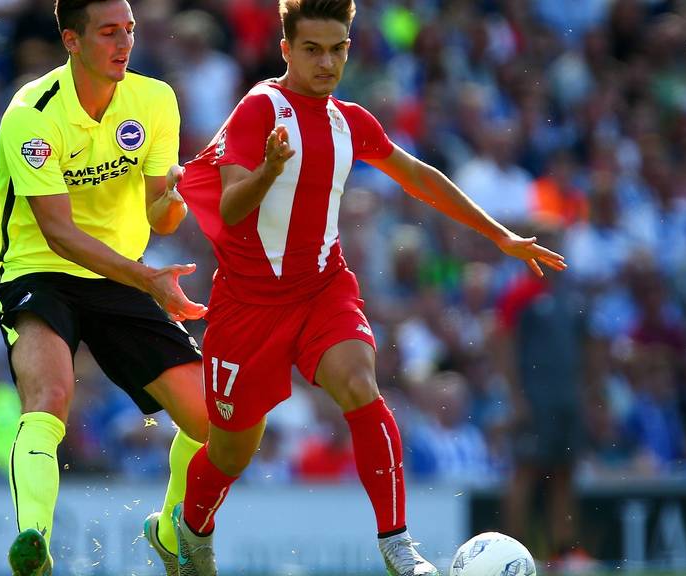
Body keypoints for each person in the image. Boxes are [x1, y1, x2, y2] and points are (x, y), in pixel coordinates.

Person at [172, 1, 567, 575]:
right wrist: (267, 171)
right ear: (286, 50)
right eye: (312, 49)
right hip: (248, 306)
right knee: (232, 451)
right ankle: (192, 527)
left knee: (360, 384)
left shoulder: (348, 120)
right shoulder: (261, 108)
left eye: (338, 48)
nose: (326, 62)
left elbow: (419, 177)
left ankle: (397, 546)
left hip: (322, 289)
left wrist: (503, 235)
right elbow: (232, 208)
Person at [0, 1, 210, 575]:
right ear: (71, 39)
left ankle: (169, 530)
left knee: (216, 424)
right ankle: (33, 540)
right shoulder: (31, 112)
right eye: (109, 32)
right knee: (50, 395)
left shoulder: (155, 99)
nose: (124, 43)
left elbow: (159, 215)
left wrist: (171, 201)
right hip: (39, 270)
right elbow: (58, 234)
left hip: (119, 273)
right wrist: (148, 280)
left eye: (129, 31)